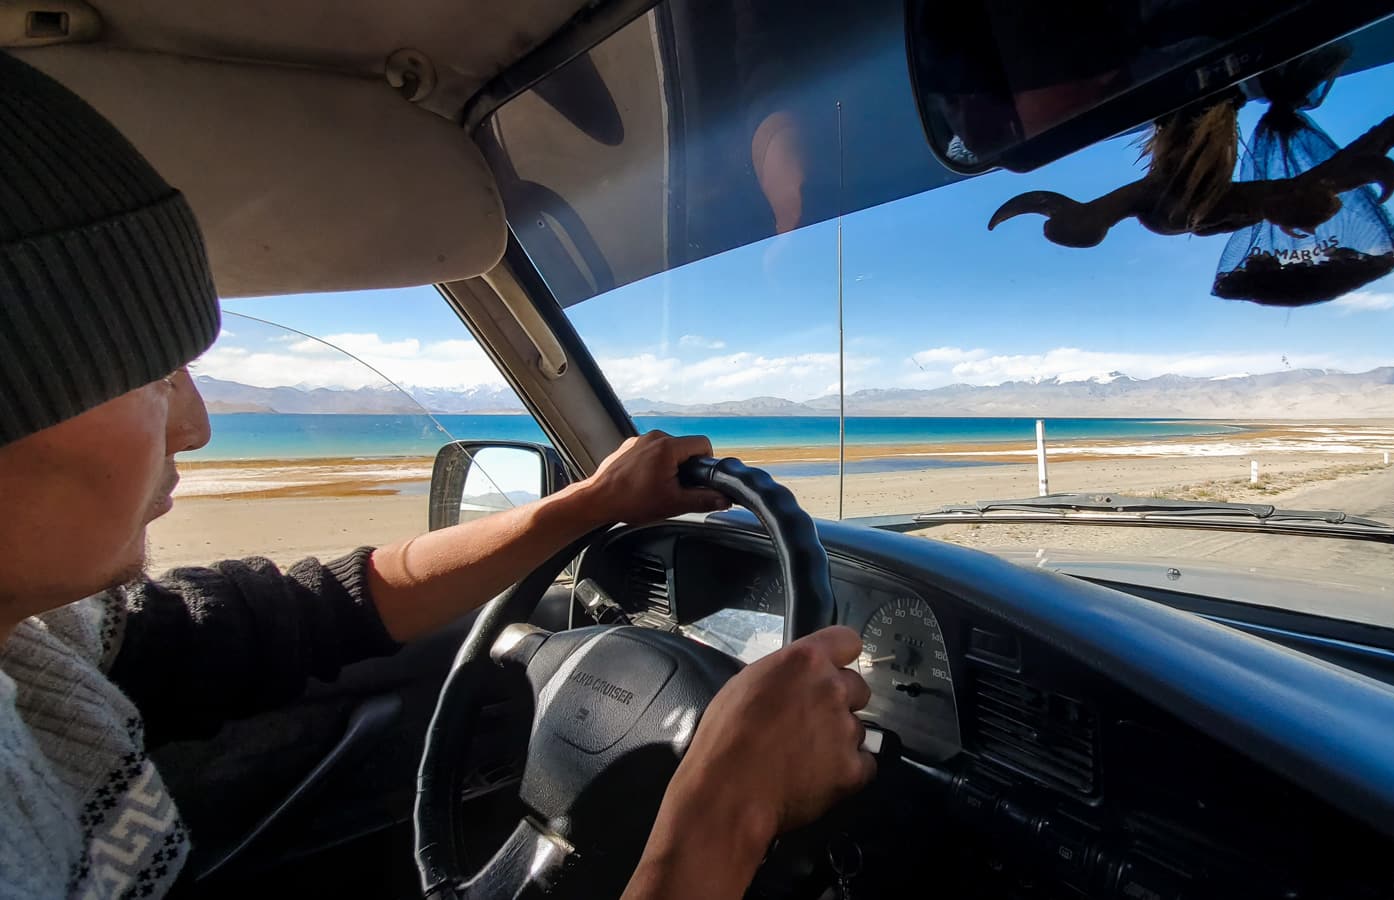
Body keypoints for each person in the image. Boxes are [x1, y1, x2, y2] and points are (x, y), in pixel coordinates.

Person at [0, 52, 874, 899]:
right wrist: (730, 804)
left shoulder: (44, 642)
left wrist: (590, 504)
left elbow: (318, 611)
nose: (196, 424)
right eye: (153, 373)